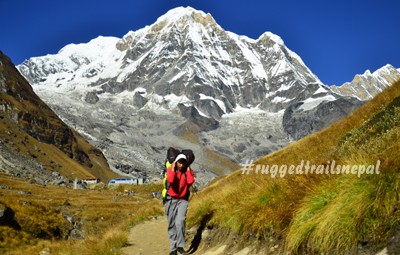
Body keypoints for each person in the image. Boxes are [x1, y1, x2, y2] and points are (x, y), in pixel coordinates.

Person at [164, 154, 195, 255]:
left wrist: (188, 169)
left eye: (183, 163)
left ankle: (180, 246)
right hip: (171, 200)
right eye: (179, 162)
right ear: (176, 162)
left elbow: (190, 181)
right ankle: (173, 249)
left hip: (183, 200)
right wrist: (173, 168)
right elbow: (171, 180)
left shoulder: (186, 172)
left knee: (180, 222)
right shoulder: (170, 170)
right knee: (172, 224)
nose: (181, 165)